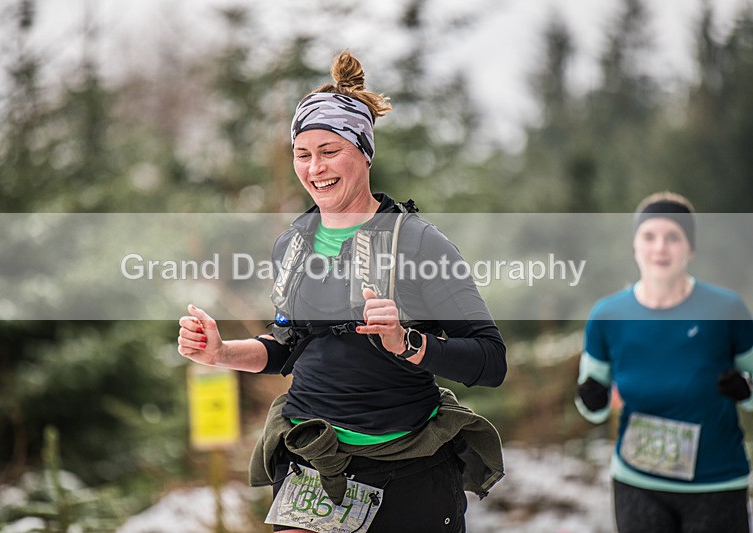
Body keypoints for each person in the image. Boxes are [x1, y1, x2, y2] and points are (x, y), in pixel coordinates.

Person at [177, 51, 507, 533]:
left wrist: (407, 344)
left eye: (330, 151)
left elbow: (490, 361)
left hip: (410, 468)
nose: (315, 168)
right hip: (310, 459)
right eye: (302, 154)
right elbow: (290, 346)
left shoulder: (417, 242)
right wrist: (221, 352)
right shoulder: (292, 243)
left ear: (364, 152)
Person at [575, 191, 753, 533]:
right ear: (635, 246)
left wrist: (745, 390)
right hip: (638, 483)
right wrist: (591, 399)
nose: (660, 247)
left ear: (691, 248)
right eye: (649, 236)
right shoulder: (607, 315)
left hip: (715, 483)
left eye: (673, 237)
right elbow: (592, 402)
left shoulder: (727, 309)